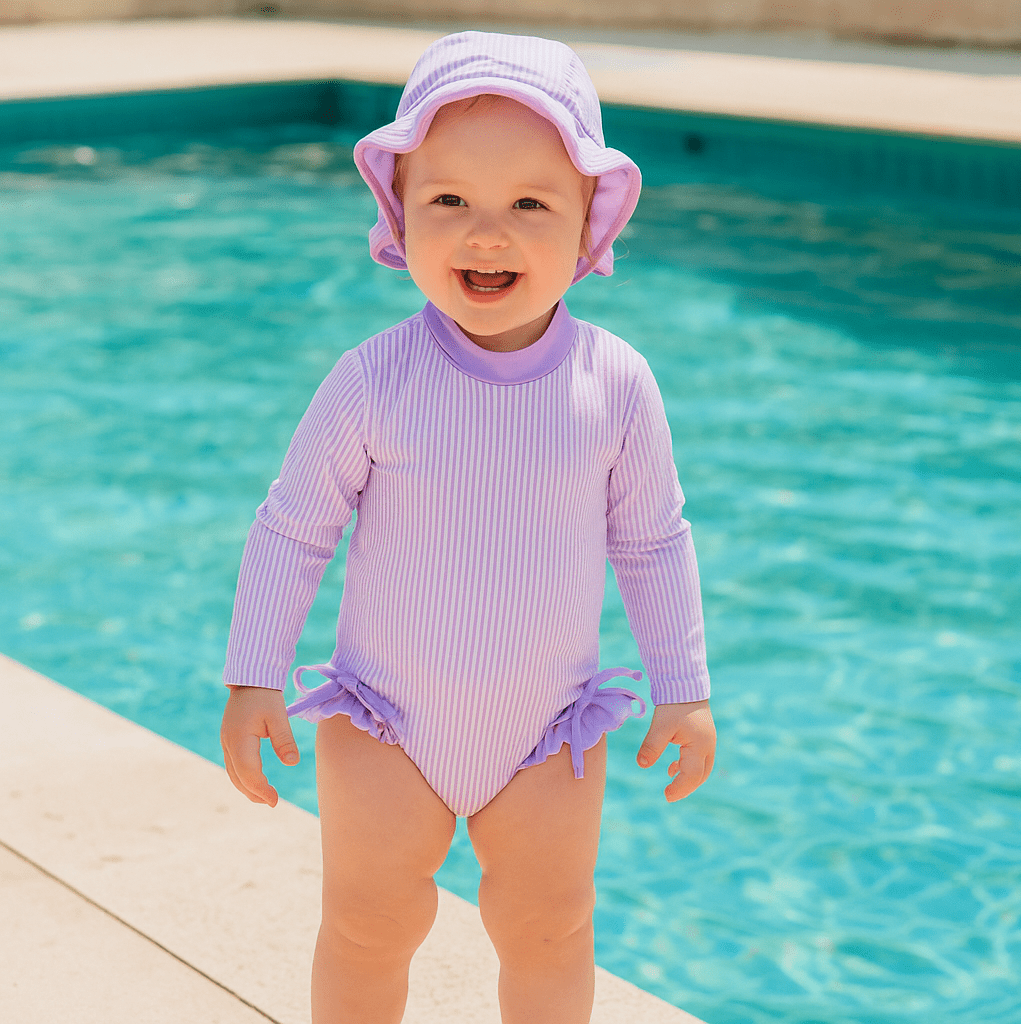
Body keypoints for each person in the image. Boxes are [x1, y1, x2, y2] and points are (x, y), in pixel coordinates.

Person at [220, 30, 716, 1024]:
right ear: (400, 219)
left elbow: (653, 540)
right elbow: (292, 530)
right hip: (384, 723)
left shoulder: (614, 385)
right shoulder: (372, 381)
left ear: (588, 227)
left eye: (529, 203)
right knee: (368, 923)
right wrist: (252, 675)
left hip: (545, 733)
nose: (486, 235)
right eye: (449, 201)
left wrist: (684, 688)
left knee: (550, 926)